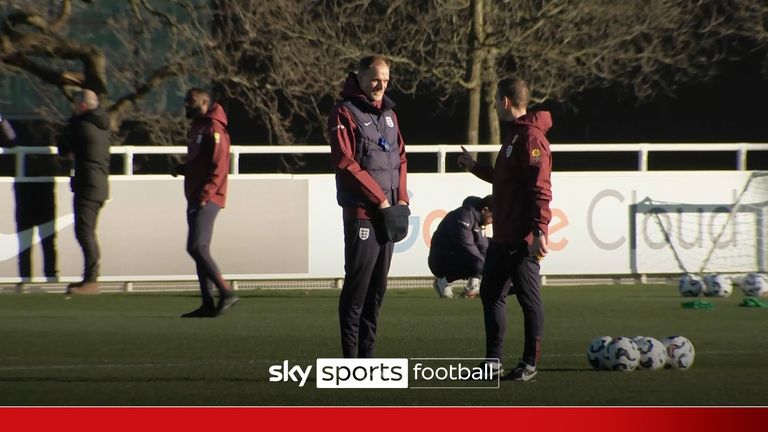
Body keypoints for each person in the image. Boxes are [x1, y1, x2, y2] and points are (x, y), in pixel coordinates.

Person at [458, 77, 552, 381]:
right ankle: (493, 362)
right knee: (490, 293)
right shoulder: (513, 137)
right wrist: (473, 166)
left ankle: (529, 363)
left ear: (505, 102)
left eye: (496, 99)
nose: (495, 104)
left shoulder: (530, 139)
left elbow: (541, 188)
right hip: (502, 238)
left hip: (522, 239)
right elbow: (502, 179)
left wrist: (539, 231)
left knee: (529, 300)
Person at [328, 55, 409, 358]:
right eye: (376, 78)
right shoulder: (343, 112)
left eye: (386, 80)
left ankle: (368, 356)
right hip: (363, 214)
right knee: (357, 289)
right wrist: (381, 199)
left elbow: (400, 156)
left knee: (378, 290)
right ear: (360, 77)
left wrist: (402, 198)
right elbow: (346, 163)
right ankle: (350, 360)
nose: (381, 85)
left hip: (388, 213)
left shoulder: (389, 114)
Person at [174, 88, 239, 318]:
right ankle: (207, 302)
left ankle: (226, 291)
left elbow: (219, 168)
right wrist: (183, 169)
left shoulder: (214, 129)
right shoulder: (198, 127)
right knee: (199, 248)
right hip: (196, 196)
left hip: (207, 198)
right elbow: (201, 162)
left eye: (190, 102)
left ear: (204, 102)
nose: (186, 105)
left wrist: (205, 195)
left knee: (197, 247)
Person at [57, 90, 111, 295]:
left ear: (83, 106)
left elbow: (63, 145)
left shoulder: (82, 126)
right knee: (87, 231)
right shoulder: (101, 123)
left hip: (87, 184)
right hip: (97, 183)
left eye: (75, 104)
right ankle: (89, 277)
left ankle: (91, 280)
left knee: (85, 232)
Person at [428, 195, 493, 299]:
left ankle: (472, 287)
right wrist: (484, 264)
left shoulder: (477, 219)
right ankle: (443, 282)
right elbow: (466, 244)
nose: (492, 221)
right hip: (440, 260)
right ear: (485, 210)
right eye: (492, 216)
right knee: (478, 261)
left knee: (490, 250)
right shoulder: (463, 216)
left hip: (455, 254)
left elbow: (483, 246)